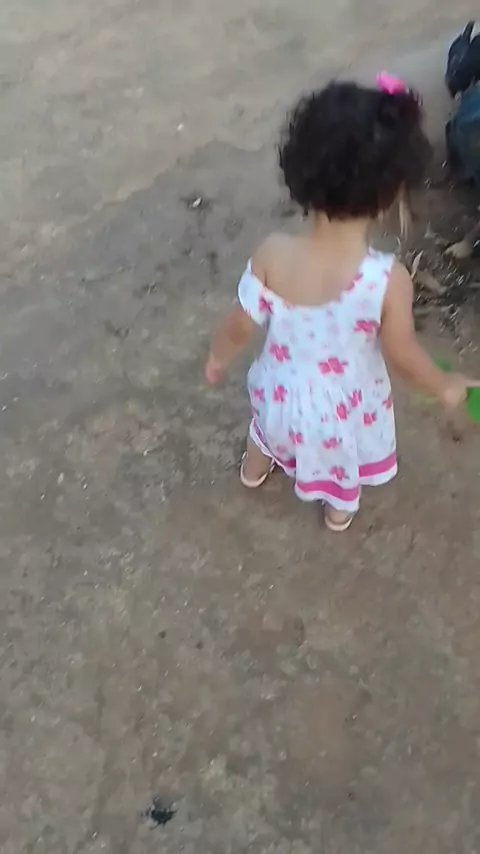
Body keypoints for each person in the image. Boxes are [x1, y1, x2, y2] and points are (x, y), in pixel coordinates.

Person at [205, 80, 480, 531]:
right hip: (341, 410)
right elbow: (404, 356)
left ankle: (253, 471)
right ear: (390, 196)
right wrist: (444, 385)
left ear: (300, 172)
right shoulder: (386, 280)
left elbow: (239, 325)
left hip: (278, 391)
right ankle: (337, 511)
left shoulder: (272, 252)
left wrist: (218, 358)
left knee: (267, 430)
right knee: (337, 461)